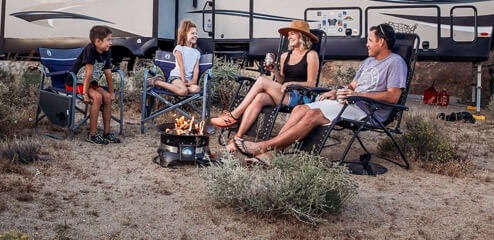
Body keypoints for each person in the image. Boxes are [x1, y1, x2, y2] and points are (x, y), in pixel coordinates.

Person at [234, 23, 407, 165]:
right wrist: (336, 91)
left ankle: (263, 148)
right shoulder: (368, 62)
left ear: (381, 42)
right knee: (300, 109)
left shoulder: (395, 63)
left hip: (368, 111)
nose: (366, 44)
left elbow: (392, 97)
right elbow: (352, 85)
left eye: (370, 40)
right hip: (351, 103)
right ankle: (272, 155)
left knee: (314, 115)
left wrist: (359, 95)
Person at [210, 20, 320, 153]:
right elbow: (281, 81)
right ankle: (237, 138)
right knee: (260, 97)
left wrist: (292, 84)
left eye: (292, 34)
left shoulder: (311, 55)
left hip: (301, 96)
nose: (289, 37)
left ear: (302, 36)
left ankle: (233, 116)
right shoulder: (285, 56)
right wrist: (274, 70)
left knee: (262, 80)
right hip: (283, 93)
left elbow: (312, 84)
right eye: (288, 35)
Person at [67, 25, 120, 145]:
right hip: (75, 82)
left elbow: (108, 73)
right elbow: (88, 73)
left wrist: (111, 92)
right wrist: (85, 94)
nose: (110, 43)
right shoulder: (90, 49)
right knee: (97, 97)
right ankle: (92, 134)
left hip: (91, 83)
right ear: (97, 41)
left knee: (106, 97)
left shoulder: (106, 51)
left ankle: (106, 133)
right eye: (108, 40)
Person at [149, 19, 201, 97]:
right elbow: (181, 66)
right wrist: (183, 81)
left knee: (197, 89)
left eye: (196, 33)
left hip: (188, 81)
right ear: (184, 34)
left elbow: (196, 69)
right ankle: (157, 82)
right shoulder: (179, 48)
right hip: (176, 78)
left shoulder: (197, 52)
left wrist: (193, 81)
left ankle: (174, 88)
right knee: (183, 91)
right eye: (192, 33)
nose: (195, 35)